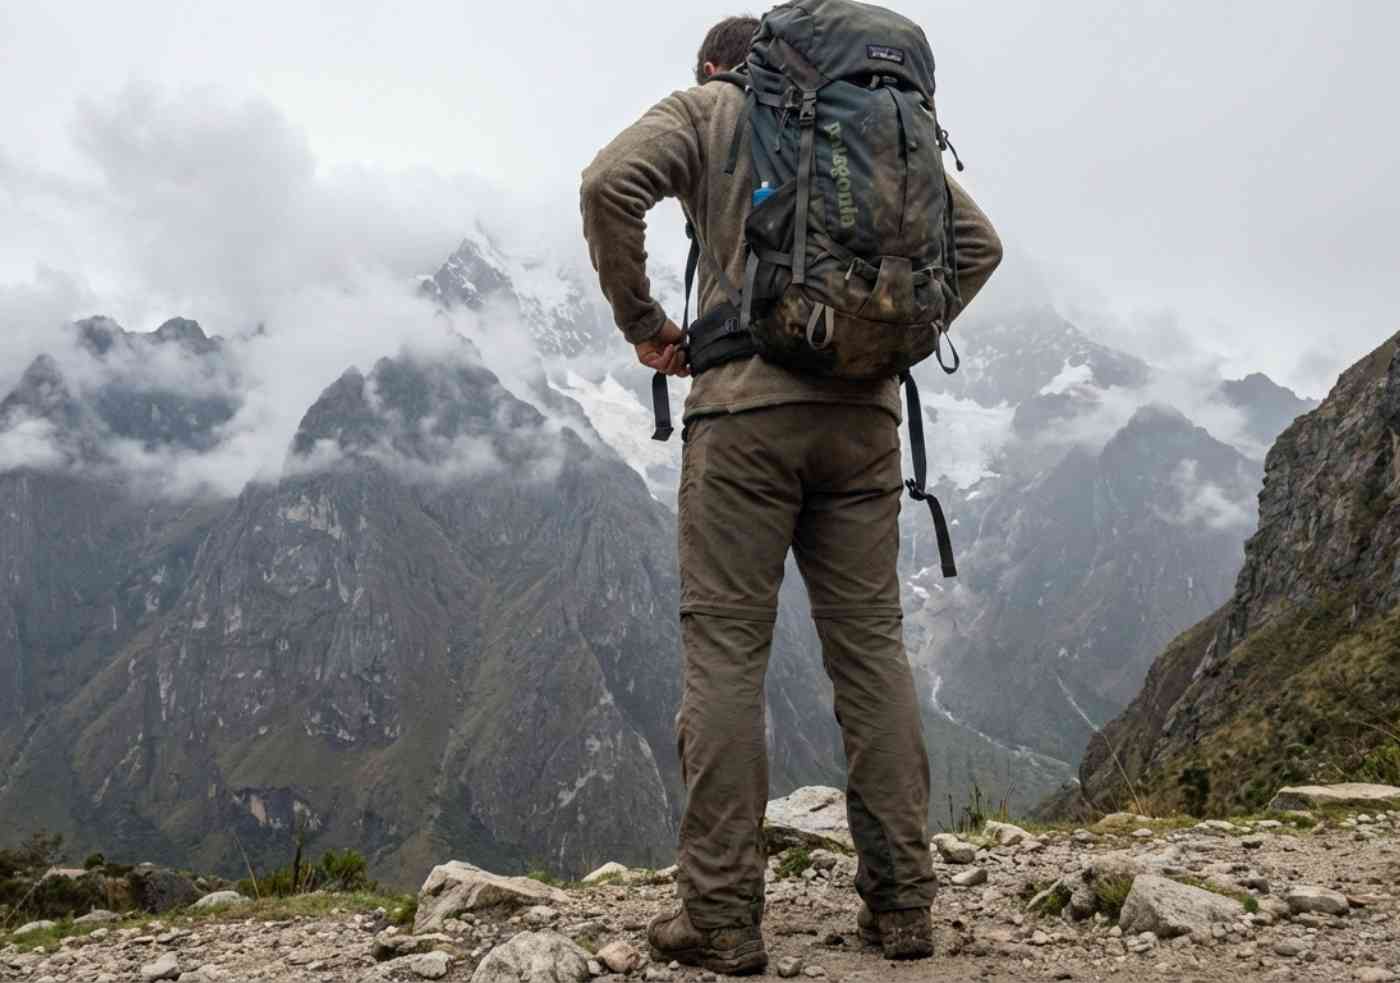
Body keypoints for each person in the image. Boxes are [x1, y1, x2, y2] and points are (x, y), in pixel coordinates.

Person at [579, 12, 1002, 974]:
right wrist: (891, 337)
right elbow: (977, 246)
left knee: (727, 655)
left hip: (744, 415)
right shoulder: (875, 122)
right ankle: (902, 908)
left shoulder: (711, 106)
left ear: (720, 65)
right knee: (872, 657)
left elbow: (608, 186)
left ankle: (722, 919)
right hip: (865, 426)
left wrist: (646, 325)